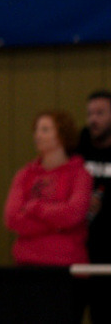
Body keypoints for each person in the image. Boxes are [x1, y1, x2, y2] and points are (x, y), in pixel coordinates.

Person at [4, 110, 91, 267]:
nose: (37, 136)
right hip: (27, 260)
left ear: (62, 135)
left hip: (66, 261)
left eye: (45, 130)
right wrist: (58, 225)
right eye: (36, 130)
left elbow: (73, 213)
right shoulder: (25, 174)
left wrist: (35, 208)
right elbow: (12, 218)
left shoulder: (80, 174)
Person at [79, 90, 111, 324]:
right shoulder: (79, 147)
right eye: (90, 114)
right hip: (80, 248)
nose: (93, 119)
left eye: (100, 113)